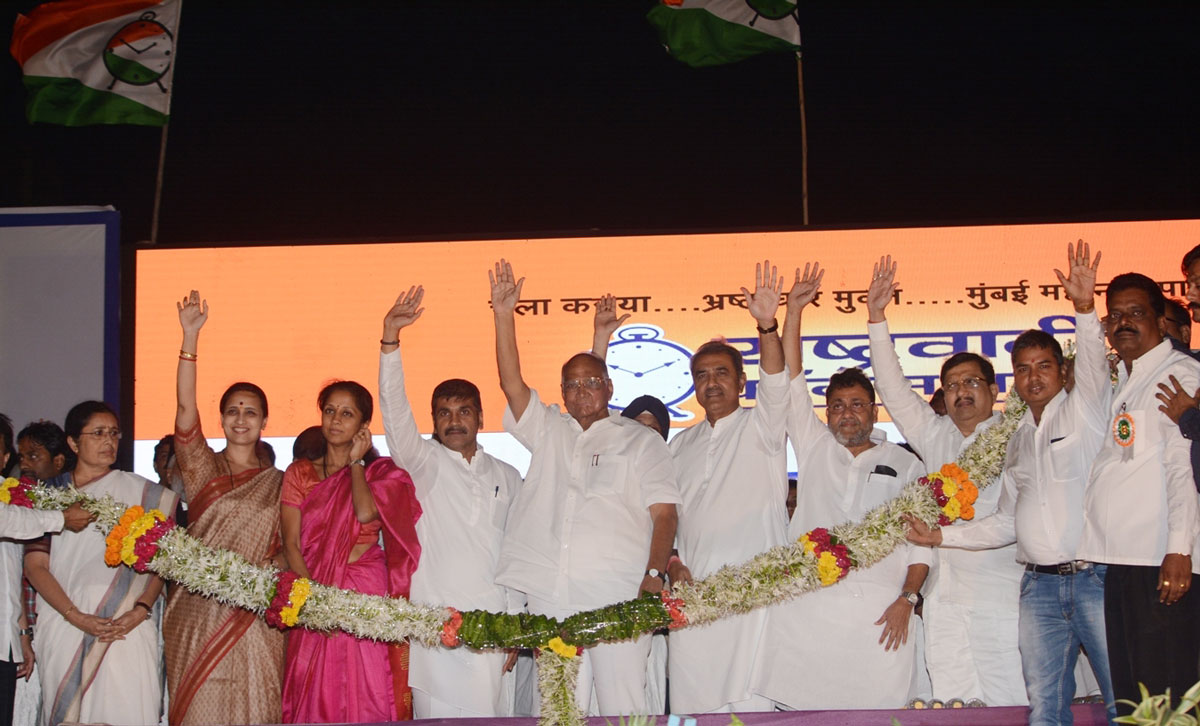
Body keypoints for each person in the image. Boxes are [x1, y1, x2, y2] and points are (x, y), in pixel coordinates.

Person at [908, 243, 1116, 724]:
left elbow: (1092, 368)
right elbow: (1005, 522)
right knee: (1042, 705)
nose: (1033, 377)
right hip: (1037, 586)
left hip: (1091, 578)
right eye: (1023, 369)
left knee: (1119, 694)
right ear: (1014, 381)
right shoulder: (1018, 440)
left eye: (1044, 366)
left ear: (1062, 372)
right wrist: (939, 537)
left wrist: (1085, 308)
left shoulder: (1084, 412)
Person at [489, 259, 680, 716]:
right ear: (562, 392)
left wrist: (654, 575)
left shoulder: (640, 440)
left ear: (609, 387)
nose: (581, 392)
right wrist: (503, 315)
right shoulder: (550, 430)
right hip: (553, 597)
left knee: (623, 710)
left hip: (619, 595)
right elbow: (511, 383)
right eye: (571, 385)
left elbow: (665, 514)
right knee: (561, 711)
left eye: (591, 383)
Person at [754, 263, 930, 710]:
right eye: (836, 406)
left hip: (881, 616)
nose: (846, 414)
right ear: (827, 413)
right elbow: (793, 380)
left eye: (856, 405)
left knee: (881, 713)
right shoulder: (816, 447)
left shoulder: (906, 464)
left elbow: (922, 543)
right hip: (809, 612)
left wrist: (908, 598)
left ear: (874, 411)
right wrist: (794, 311)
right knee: (804, 713)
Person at [866, 256, 1026, 706]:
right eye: (952, 384)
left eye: (972, 382)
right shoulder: (936, 436)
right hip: (943, 599)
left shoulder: (1016, 437)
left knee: (1009, 702)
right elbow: (893, 388)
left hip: (1000, 594)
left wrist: (943, 536)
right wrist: (876, 318)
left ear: (994, 391)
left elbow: (1011, 520)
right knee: (952, 704)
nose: (961, 391)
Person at [377, 285, 522, 718]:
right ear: (434, 421)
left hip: (494, 627)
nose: (454, 421)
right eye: (444, 412)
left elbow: (517, 552)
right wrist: (390, 341)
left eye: (464, 412)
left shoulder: (508, 476)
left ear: (480, 417)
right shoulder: (425, 463)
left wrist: (515, 619)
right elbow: (395, 413)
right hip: (435, 627)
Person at [667, 261, 790, 714]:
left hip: (754, 599)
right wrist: (673, 563)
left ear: (741, 381)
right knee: (693, 709)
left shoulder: (763, 427)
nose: (711, 382)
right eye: (701, 375)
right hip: (694, 598)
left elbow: (776, 382)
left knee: (752, 709)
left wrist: (767, 326)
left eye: (721, 373)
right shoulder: (679, 445)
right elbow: (667, 519)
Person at [1075, 272, 1200, 716]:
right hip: (1125, 562)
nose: (1124, 322)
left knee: (1168, 700)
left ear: (1161, 322)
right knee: (1136, 701)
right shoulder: (1130, 379)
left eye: (1136, 313)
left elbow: (1183, 469)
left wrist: (1180, 550)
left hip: (1160, 563)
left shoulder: (1178, 374)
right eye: (1115, 316)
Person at [164, 290, 286, 725]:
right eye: (232, 411)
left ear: (265, 421)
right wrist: (189, 338)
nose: (240, 419)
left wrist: (273, 568)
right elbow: (185, 407)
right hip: (198, 610)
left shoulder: (282, 484)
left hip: (255, 614)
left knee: (257, 707)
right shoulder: (202, 468)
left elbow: (292, 545)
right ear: (220, 419)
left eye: (250, 412)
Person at [24, 401, 178, 726]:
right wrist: (76, 616)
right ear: (73, 442)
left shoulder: (144, 495)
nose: (109, 441)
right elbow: (35, 566)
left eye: (113, 433)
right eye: (98, 433)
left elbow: (161, 563)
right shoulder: (49, 494)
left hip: (125, 627)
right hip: (65, 624)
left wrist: (140, 609)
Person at [279, 380, 421, 723]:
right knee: (316, 688)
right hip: (313, 590)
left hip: (364, 593)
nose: (336, 420)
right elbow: (291, 543)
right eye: (330, 411)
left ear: (363, 425)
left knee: (369, 685)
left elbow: (365, 513)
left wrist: (356, 462)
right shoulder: (300, 473)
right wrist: (316, 602)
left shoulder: (381, 472)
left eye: (347, 413)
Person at [0, 416, 91, 726]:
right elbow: (8, 522)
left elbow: (12, 578)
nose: (26, 463)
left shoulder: (13, 497)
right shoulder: (18, 513)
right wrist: (61, 518)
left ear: (4, 458)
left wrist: (21, 635)